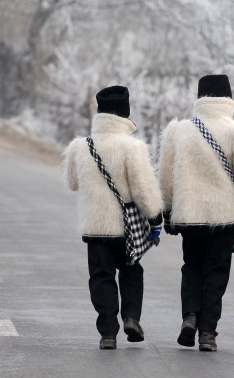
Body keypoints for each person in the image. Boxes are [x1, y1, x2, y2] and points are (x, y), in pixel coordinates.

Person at [158, 74, 234, 352]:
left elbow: (166, 176)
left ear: (200, 98)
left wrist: (168, 210)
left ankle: (189, 316)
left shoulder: (179, 131)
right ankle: (207, 332)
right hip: (224, 216)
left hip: (189, 214)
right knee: (216, 272)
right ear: (229, 100)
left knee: (192, 266)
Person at [63, 85, 163, 350]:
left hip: (95, 226)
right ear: (125, 113)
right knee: (131, 270)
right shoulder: (133, 147)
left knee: (101, 277)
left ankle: (108, 333)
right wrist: (155, 217)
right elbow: (143, 189)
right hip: (126, 227)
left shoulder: (80, 147)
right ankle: (131, 317)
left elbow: (73, 183)